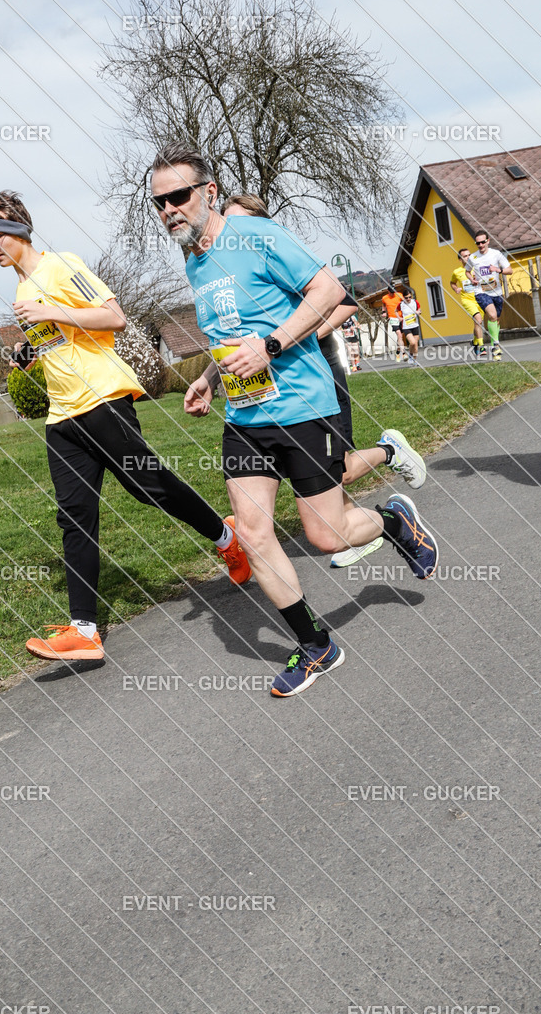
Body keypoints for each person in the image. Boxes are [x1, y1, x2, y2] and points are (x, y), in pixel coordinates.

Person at [151, 144, 438, 698]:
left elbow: (329, 290)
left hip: (303, 405)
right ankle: (316, 646)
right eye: (160, 202)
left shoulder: (256, 236)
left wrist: (273, 345)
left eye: (179, 196)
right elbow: (233, 331)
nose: (169, 210)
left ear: (208, 193)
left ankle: (394, 521)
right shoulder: (194, 258)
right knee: (254, 534)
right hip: (245, 415)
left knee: (327, 536)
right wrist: (209, 378)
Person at [0, 190, 251, 664]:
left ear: (21, 231)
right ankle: (84, 631)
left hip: (103, 400)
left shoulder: (60, 265)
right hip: (62, 417)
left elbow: (114, 318)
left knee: (150, 488)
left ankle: (228, 538)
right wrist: (31, 352)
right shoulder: (21, 288)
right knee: (73, 516)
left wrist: (51, 312)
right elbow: (65, 341)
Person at [221, 193, 427, 569]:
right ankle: (351, 533)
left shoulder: (280, 257)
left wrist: (305, 334)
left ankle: (389, 453)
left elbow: (345, 301)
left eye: (239, 223)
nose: (231, 232)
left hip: (317, 375)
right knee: (325, 479)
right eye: (227, 224)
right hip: (270, 393)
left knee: (340, 470)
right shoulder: (238, 275)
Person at [465, 231, 512, 361]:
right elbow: (467, 271)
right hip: (481, 291)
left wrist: (498, 270)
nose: (480, 245)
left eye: (482, 242)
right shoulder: (473, 257)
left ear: (488, 241)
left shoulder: (496, 254)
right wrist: (472, 280)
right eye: (477, 243)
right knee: (491, 315)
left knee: (495, 319)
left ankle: (493, 344)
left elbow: (510, 270)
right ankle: (496, 346)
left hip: (496, 292)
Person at [450, 248, 486, 358]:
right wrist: (456, 289)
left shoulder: (477, 268)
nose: (468, 257)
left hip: (479, 299)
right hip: (467, 300)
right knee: (478, 320)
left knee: (478, 323)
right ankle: (481, 347)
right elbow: (452, 283)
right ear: (460, 259)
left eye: (469, 255)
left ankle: (474, 342)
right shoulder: (457, 272)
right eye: (465, 256)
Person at [381, 284, 405, 362]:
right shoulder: (385, 298)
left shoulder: (399, 295)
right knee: (399, 334)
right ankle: (404, 353)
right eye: (391, 292)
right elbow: (383, 305)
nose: (392, 293)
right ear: (388, 291)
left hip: (401, 318)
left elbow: (405, 302)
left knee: (400, 337)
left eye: (393, 292)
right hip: (392, 318)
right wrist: (384, 312)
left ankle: (397, 352)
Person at [398, 290, 421, 365]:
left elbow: (419, 309)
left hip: (415, 325)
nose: (408, 299)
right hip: (406, 326)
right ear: (403, 297)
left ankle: (414, 361)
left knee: (415, 345)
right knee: (412, 342)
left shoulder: (415, 302)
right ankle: (410, 356)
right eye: (406, 298)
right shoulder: (401, 304)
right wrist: (399, 318)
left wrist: (418, 312)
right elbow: (395, 311)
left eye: (409, 297)